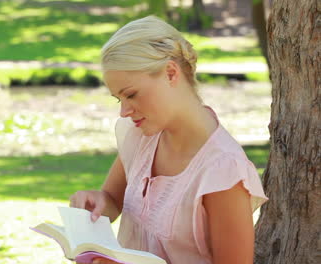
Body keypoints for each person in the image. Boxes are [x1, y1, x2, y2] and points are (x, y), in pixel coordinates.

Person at [69, 16, 268, 264]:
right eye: (119, 99)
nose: (124, 112)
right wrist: (97, 202)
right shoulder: (140, 135)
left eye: (131, 94)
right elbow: (111, 200)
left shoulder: (223, 171)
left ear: (171, 73)